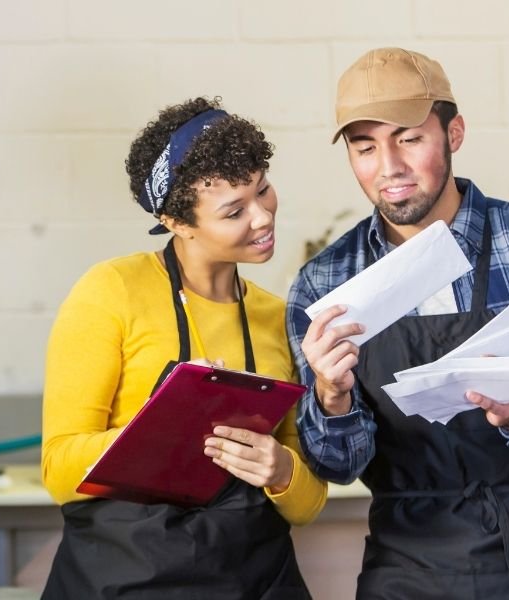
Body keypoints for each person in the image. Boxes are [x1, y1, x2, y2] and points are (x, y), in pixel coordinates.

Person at [286, 47, 509, 599]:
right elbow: (336, 466)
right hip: (408, 570)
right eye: (365, 147)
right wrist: (330, 397)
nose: (389, 167)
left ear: (455, 133)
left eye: (409, 138)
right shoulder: (324, 283)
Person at [41, 96, 326, 599]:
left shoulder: (278, 316)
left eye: (263, 191)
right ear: (177, 222)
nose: (262, 218)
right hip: (129, 581)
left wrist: (280, 470)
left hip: (254, 582)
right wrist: (164, 425)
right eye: (234, 211)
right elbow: (60, 470)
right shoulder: (112, 291)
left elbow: (306, 504)